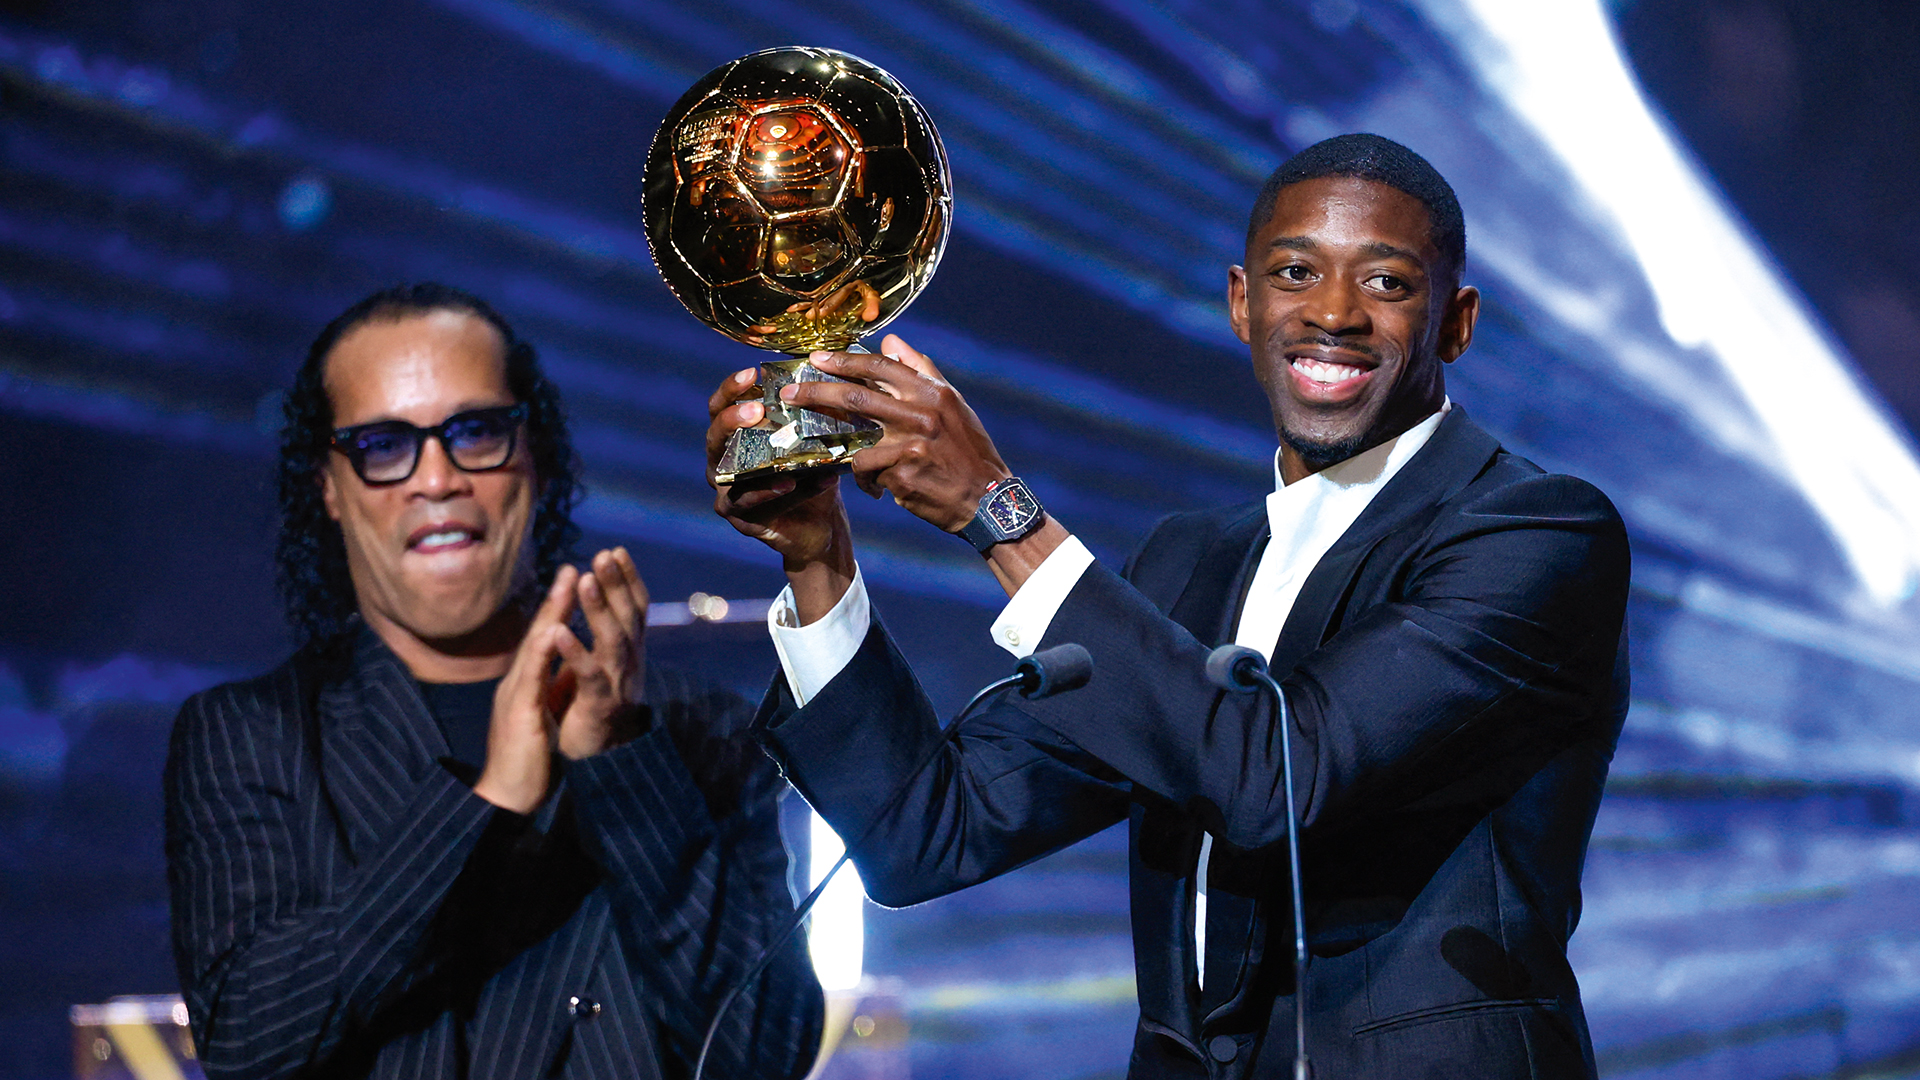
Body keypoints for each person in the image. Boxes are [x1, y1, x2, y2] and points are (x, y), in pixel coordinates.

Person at [706, 135, 1630, 1078]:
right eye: (1295, 272)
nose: (1334, 313)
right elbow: (924, 833)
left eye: (1387, 283)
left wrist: (999, 510)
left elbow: (1277, 780)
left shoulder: (1534, 533)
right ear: (1242, 302)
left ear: (1456, 323)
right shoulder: (1187, 564)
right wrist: (817, 560)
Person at [165, 284, 822, 1080]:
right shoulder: (250, 736)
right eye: (383, 445)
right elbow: (247, 1042)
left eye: (475, 432)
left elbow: (768, 1053)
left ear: (536, 457)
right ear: (328, 489)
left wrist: (622, 760)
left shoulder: (701, 728)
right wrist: (488, 804)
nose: (436, 478)